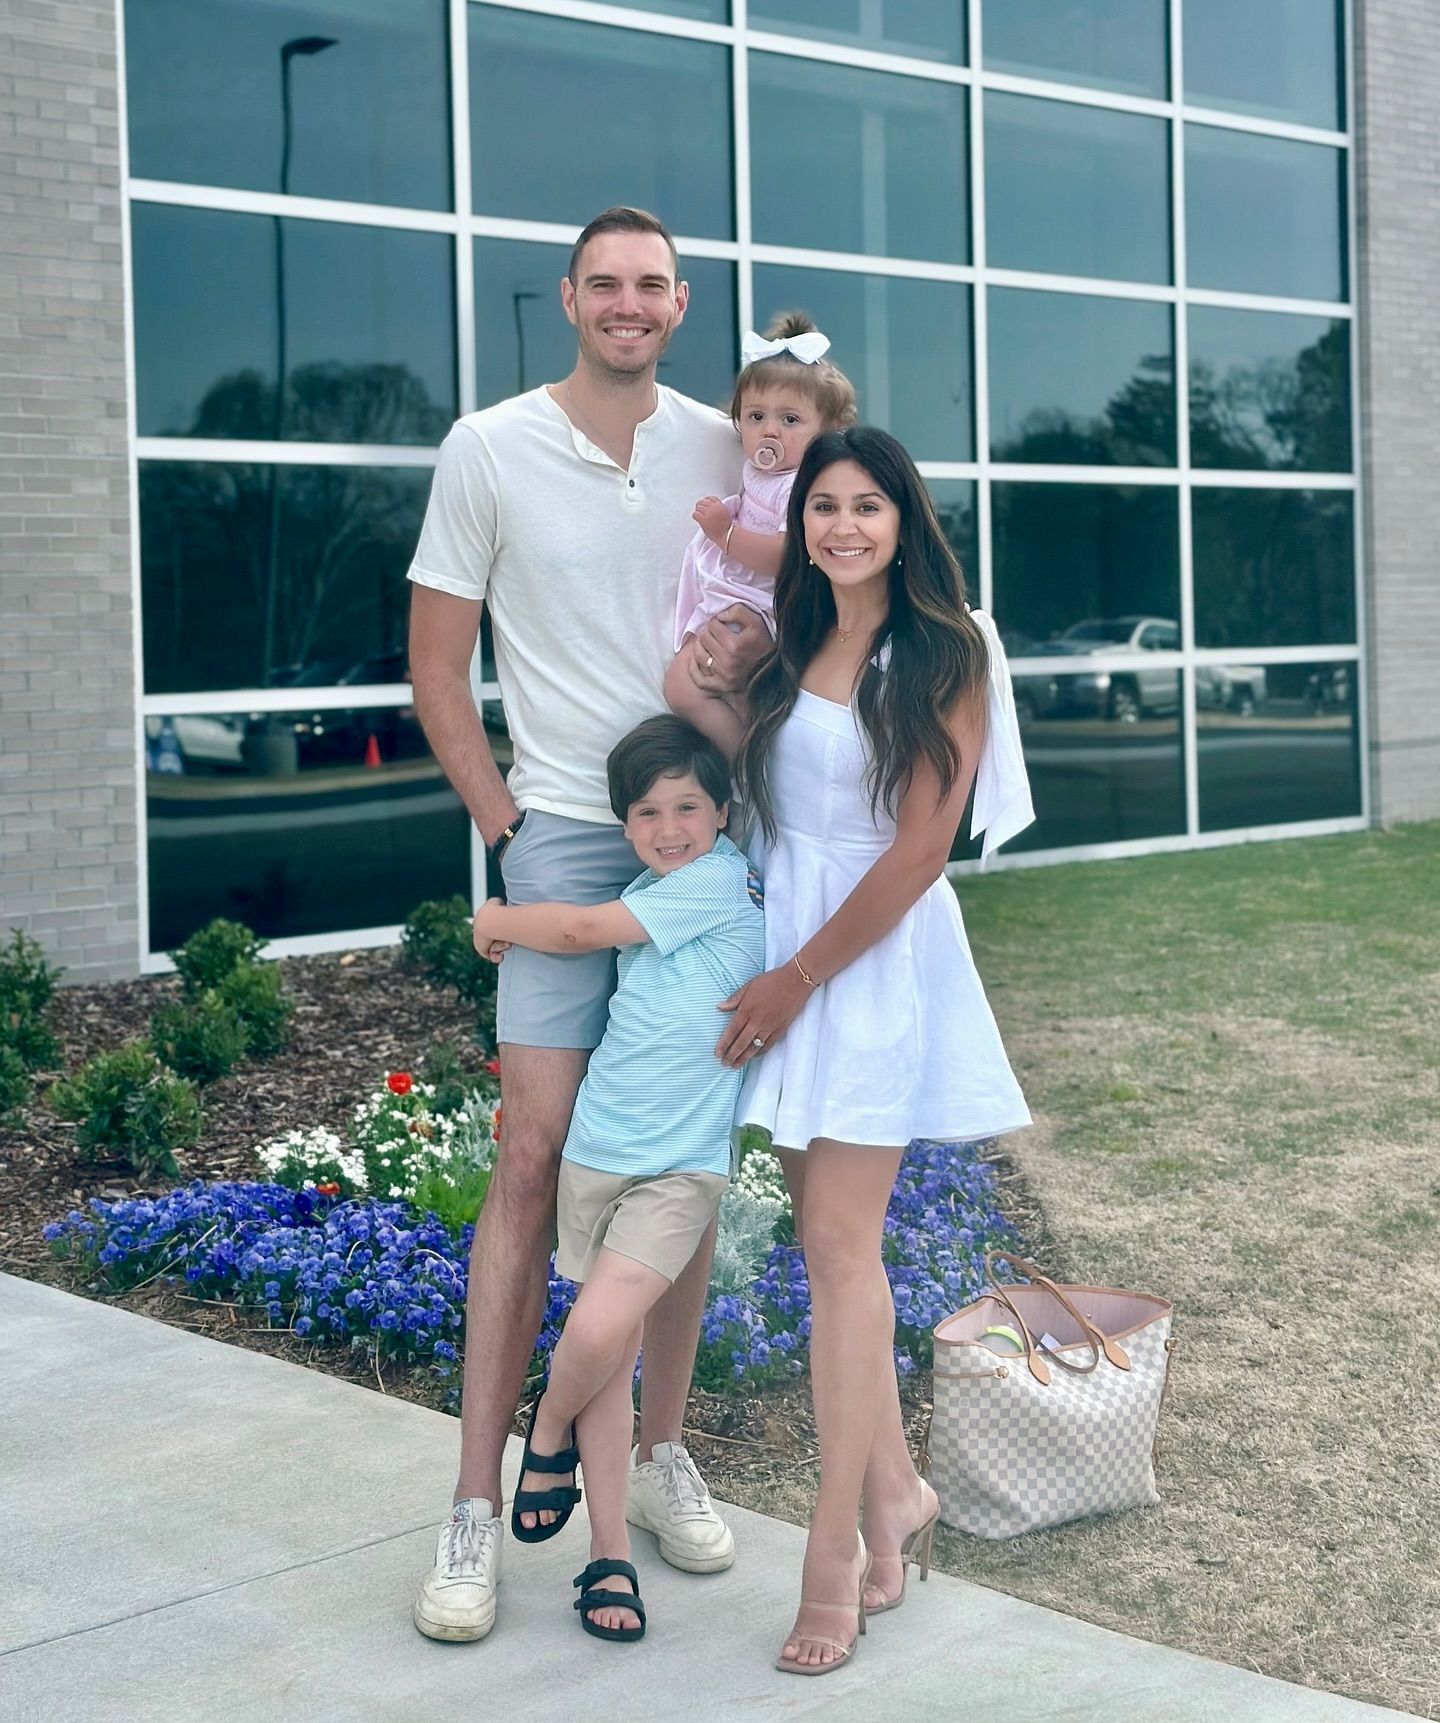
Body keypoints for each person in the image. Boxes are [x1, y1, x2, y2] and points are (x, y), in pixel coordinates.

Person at [405, 205, 772, 1644]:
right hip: (561, 826)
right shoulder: (486, 447)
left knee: (681, 1152)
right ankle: (474, 1507)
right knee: (532, 1157)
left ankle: (662, 1447)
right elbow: (440, 666)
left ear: (679, 306)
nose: (627, 304)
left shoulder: (718, 447)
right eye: (603, 284)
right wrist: (504, 823)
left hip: (706, 840)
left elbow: (794, 579)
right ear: (569, 297)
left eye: (652, 287)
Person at [717, 425, 1035, 1675]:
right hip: (788, 940)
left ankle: (833, 1555)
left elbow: (918, 851)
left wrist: (798, 979)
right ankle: (897, 1494)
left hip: (866, 959)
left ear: (905, 520)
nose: (844, 526)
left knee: (841, 1256)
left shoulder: (946, 648)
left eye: (867, 506)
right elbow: (751, 786)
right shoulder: (795, 640)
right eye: (823, 507)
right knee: (832, 1250)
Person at [469, 715, 765, 1643]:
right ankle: (608, 1552)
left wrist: (495, 920)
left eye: (686, 806)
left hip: (678, 1166)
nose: (669, 825)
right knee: (609, 1362)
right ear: (625, 826)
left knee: (599, 1327)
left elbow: (581, 926)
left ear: (723, 812)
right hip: (600, 1147)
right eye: (646, 811)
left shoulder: (714, 883)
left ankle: (543, 1435)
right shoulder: (657, 882)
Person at [664, 313, 856, 755]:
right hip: (735, 592)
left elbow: (789, 555)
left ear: (826, 431)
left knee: (715, 689)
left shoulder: (805, 483)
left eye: (790, 420)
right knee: (683, 687)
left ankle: (752, 767)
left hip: (766, 602)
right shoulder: (755, 468)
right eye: (755, 417)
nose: (769, 430)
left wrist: (725, 534)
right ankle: (744, 764)